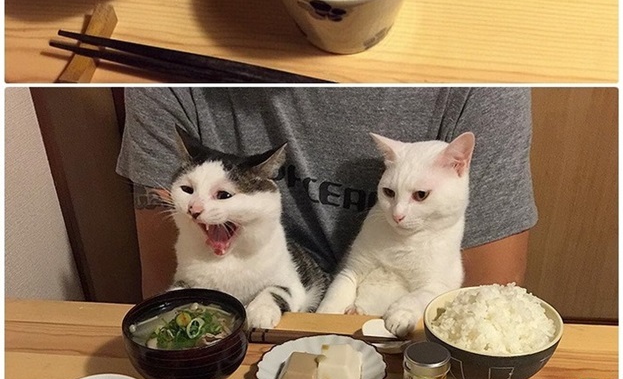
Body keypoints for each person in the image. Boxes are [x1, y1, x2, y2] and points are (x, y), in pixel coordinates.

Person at [117, 81, 536, 311]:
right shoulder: (160, 75)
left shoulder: (479, 88)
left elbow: (485, 303)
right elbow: (167, 288)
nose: (399, 212)